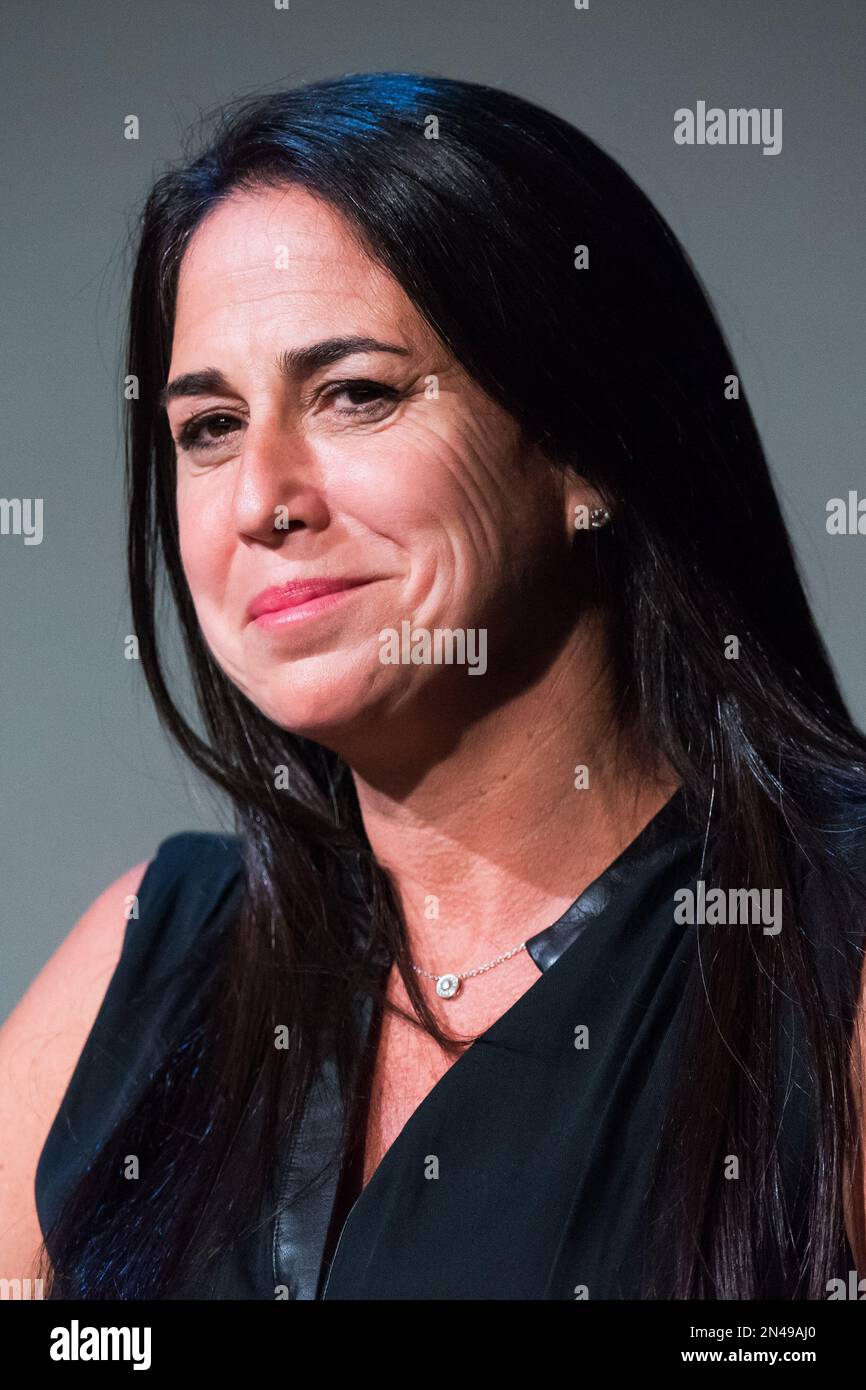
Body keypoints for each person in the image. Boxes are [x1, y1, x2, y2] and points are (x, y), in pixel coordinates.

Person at [2, 71, 866, 1300]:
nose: (260, 500)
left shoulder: (826, 963)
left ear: (580, 452)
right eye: (209, 427)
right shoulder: (145, 961)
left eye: (355, 393)